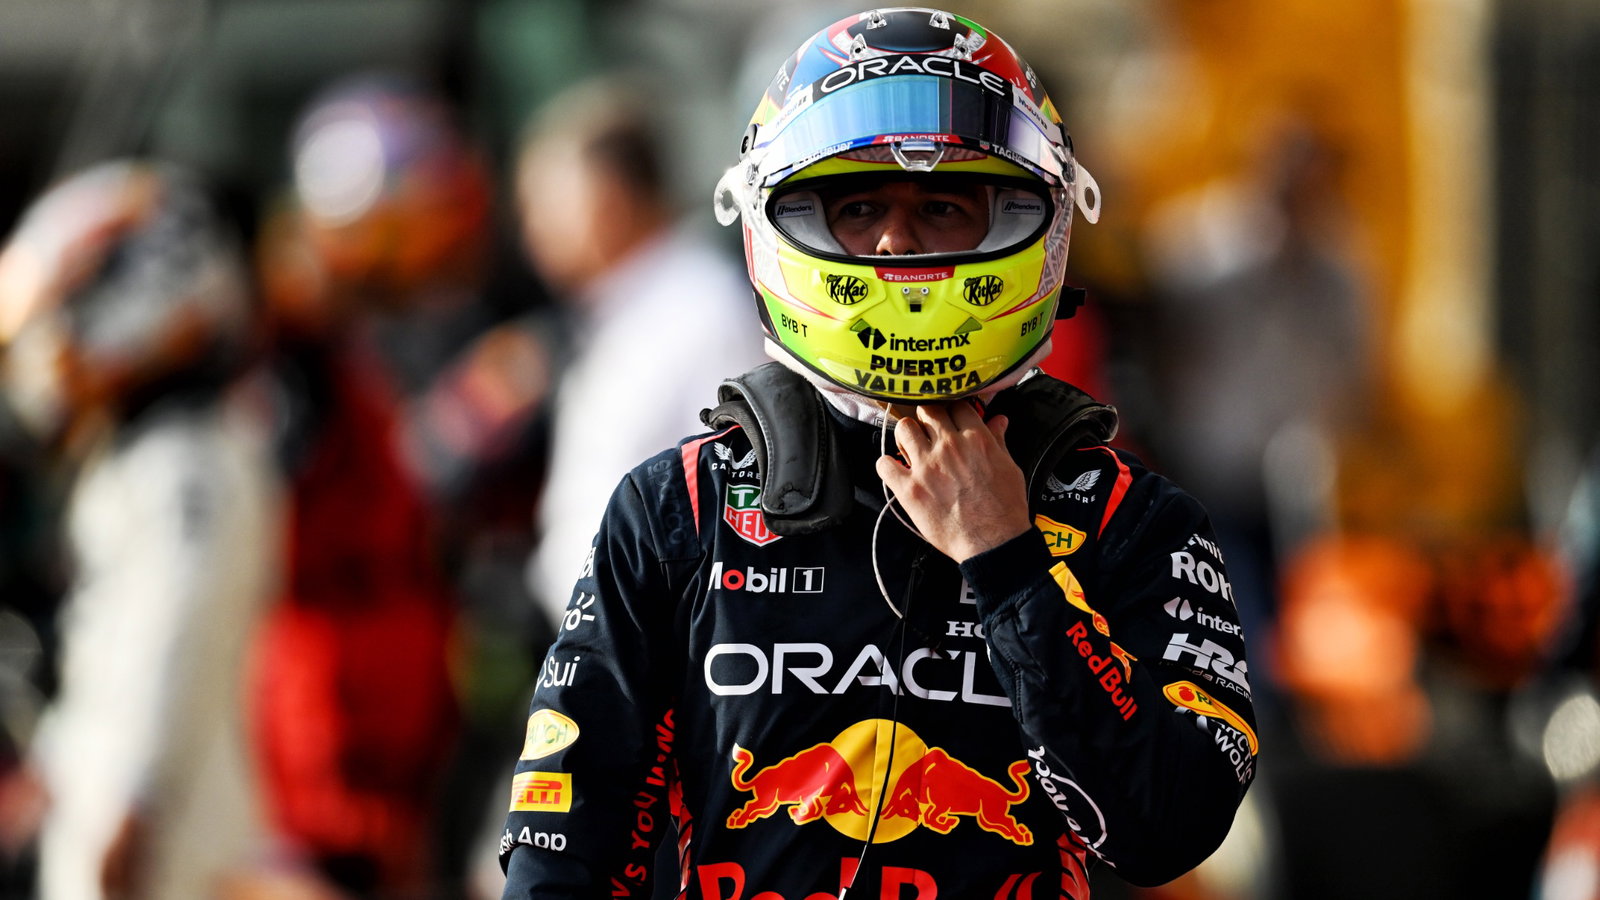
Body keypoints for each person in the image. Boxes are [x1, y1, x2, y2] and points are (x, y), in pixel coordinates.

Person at [496, 9, 1257, 899]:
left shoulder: (1130, 522)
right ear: (777, 218)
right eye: (859, 208)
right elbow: (562, 857)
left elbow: (1169, 830)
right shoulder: (678, 511)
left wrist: (1009, 561)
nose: (897, 241)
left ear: (1031, 219)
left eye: (941, 206)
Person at [0, 160, 285, 899]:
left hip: (160, 833)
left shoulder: (184, 464)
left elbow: (171, 639)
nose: (44, 360)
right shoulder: (150, 452)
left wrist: (134, 800)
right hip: (120, 805)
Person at [514, 77, 766, 634]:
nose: (532, 227)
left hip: (673, 660)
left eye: (544, 201)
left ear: (609, 195)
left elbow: (740, 501)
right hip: (614, 653)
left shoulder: (703, 306)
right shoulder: (622, 309)